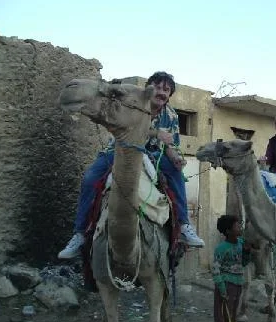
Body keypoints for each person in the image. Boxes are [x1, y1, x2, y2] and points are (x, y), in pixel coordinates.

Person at [58, 71, 204, 259]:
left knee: (176, 177)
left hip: (154, 154)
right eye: (157, 87)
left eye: (166, 90)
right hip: (122, 150)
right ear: (149, 89)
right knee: (90, 178)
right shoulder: (133, 104)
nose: (161, 92)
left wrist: (176, 157)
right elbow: (129, 128)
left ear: (170, 95)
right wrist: (156, 133)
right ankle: (79, 235)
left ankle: (184, 226)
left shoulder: (171, 116)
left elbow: (170, 145)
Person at [212, 215, 251, 322]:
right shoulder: (221, 248)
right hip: (226, 284)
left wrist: (247, 252)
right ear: (228, 231)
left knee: (232, 315)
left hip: (238, 283)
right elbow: (216, 270)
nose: (240, 227)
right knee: (222, 315)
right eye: (237, 226)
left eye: (239, 225)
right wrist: (222, 289)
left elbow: (244, 263)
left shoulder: (241, 243)